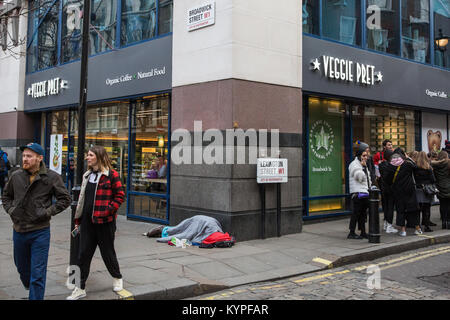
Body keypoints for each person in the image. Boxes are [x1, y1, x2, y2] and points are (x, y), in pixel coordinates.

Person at [2, 143, 71, 300]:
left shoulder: (52, 177)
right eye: (24, 156)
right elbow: (6, 196)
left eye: (29, 156)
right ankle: (28, 282)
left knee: (38, 273)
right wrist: (11, 210)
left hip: (40, 231)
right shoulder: (16, 175)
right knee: (22, 268)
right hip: (19, 230)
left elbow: (65, 199)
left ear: (39, 158)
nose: (25, 159)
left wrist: (47, 212)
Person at [67, 146, 125, 300]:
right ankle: (80, 288)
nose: (87, 157)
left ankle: (117, 277)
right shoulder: (87, 175)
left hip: (105, 223)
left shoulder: (112, 175)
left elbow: (120, 196)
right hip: (87, 222)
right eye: (87, 155)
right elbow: (83, 199)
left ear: (99, 156)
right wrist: (78, 219)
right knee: (83, 254)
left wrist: (107, 210)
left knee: (108, 253)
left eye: (91, 155)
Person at [384, 148, 422, 237]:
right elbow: (417, 169)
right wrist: (408, 158)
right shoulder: (407, 164)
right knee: (413, 209)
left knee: (401, 210)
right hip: (409, 190)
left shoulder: (390, 166)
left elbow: (386, 179)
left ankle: (403, 230)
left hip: (398, 191)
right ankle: (417, 229)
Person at [348, 142, 371, 239]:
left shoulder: (363, 164)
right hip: (358, 193)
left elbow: (368, 179)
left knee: (362, 214)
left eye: (366, 155)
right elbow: (360, 178)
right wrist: (363, 167)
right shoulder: (354, 164)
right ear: (359, 155)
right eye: (364, 155)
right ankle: (351, 233)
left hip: (364, 192)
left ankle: (363, 232)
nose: (366, 157)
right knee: (356, 214)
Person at [413, 151, 436, 232]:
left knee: (418, 209)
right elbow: (433, 180)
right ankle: (426, 226)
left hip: (418, 189)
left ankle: (418, 227)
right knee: (426, 209)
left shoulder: (415, 168)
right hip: (427, 190)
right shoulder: (428, 168)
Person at [378, 149, 398, 233]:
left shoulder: (381, 165)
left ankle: (386, 224)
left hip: (383, 188)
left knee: (385, 207)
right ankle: (389, 226)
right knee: (390, 207)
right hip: (391, 189)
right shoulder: (392, 166)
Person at [431, 150, 450, 230]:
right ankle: (448, 222)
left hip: (440, 187)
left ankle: (443, 222)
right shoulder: (448, 164)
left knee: (442, 205)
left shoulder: (435, 165)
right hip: (449, 186)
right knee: (449, 205)